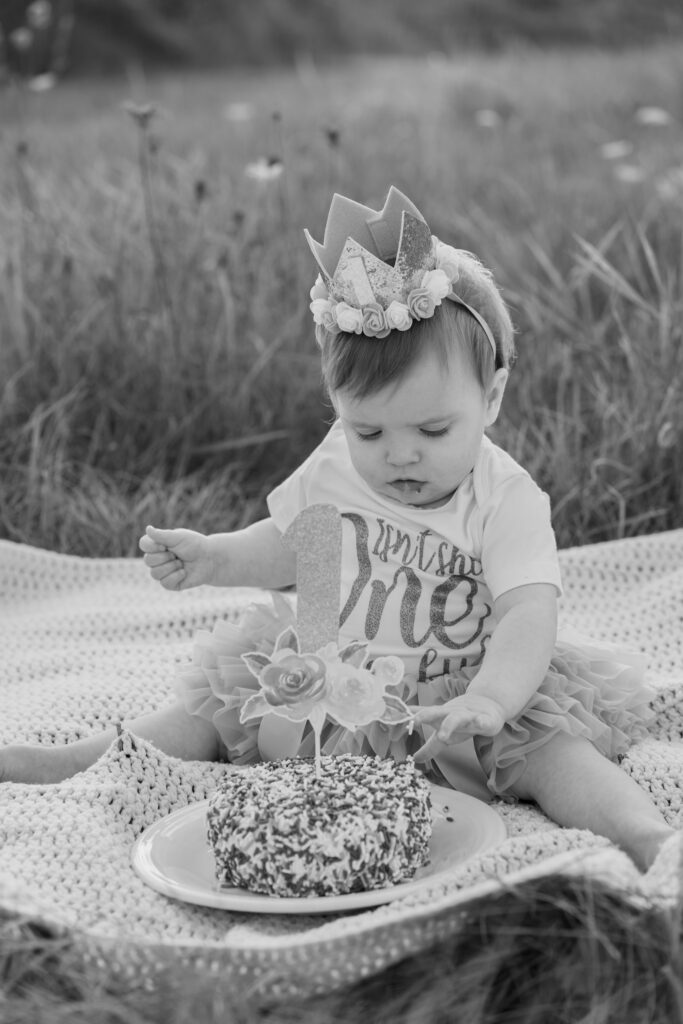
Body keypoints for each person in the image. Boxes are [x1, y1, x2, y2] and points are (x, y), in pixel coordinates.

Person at [1, 187, 676, 872]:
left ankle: (643, 833)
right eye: (369, 431)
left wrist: (493, 698)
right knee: (208, 713)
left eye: (433, 430)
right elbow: (290, 546)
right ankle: (81, 759)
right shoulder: (333, 467)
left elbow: (527, 613)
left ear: (491, 398)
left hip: (460, 689)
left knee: (554, 754)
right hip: (329, 681)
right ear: (338, 408)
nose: (400, 454)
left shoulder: (503, 499)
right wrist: (214, 558)